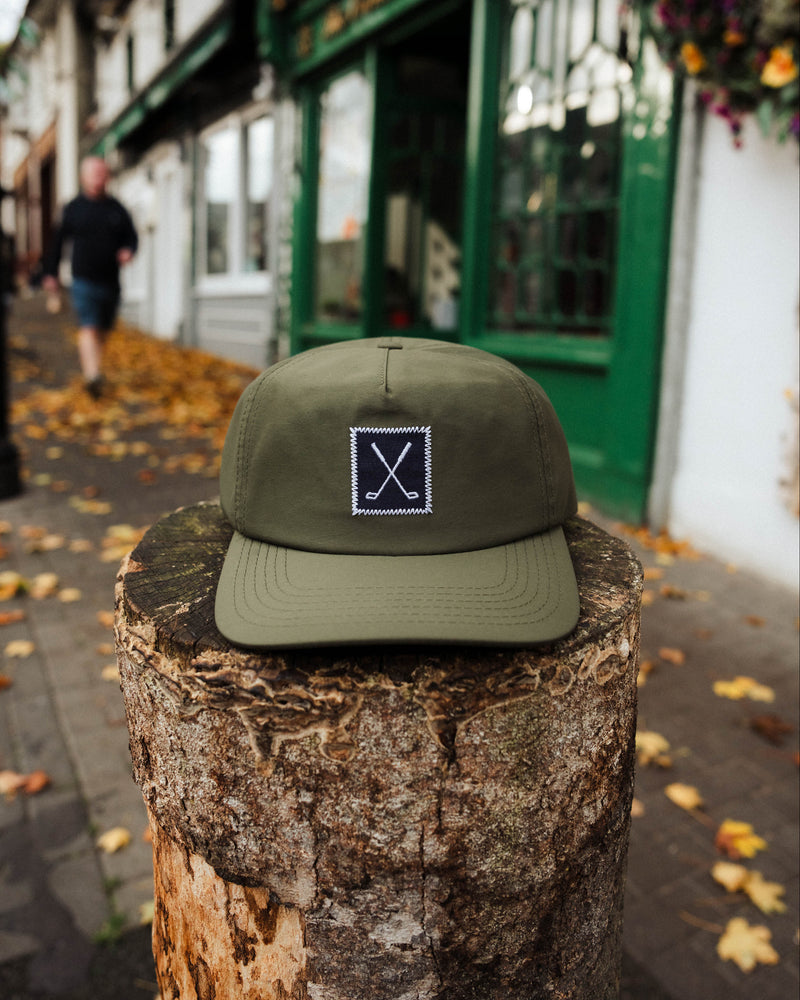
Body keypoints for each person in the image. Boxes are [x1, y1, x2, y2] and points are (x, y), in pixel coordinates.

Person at [42, 156, 138, 399]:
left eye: (102, 173)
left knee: (103, 329)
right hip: (83, 279)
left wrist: (129, 250)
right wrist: (50, 273)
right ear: (83, 177)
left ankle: (95, 367)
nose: (99, 178)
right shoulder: (73, 208)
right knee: (89, 325)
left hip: (111, 281)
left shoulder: (117, 209)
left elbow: (132, 237)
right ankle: (92, 376)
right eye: (94, 173)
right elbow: (57, 243)